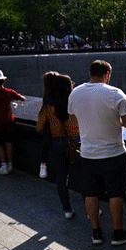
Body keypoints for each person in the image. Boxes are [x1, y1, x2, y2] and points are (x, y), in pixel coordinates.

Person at [67, 60, 126, 246]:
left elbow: (73, 121)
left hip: (88, 154)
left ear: (90, 73)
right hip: (114, 153)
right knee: (115, 194)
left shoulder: (75, 93)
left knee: (91, 193)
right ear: (106, 75)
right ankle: (117, 233)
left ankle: (96, 233)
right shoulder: (115, 94)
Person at [37, 72, 79, 219]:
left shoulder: (49, 106)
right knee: (84, 176)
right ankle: (93, 210)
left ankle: (67, 210)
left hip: (57, 143)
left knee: (61, 178)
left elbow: (39, 127)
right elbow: (76, 127)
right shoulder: (73, 103)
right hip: (75, 143)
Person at [0, 69, 26, 175]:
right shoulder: (9, 92)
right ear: (4, 80)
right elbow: (22, 99)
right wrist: (14, 98)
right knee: (9, 142)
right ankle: (10, 164)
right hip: (9, 121)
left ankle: (4, 165)